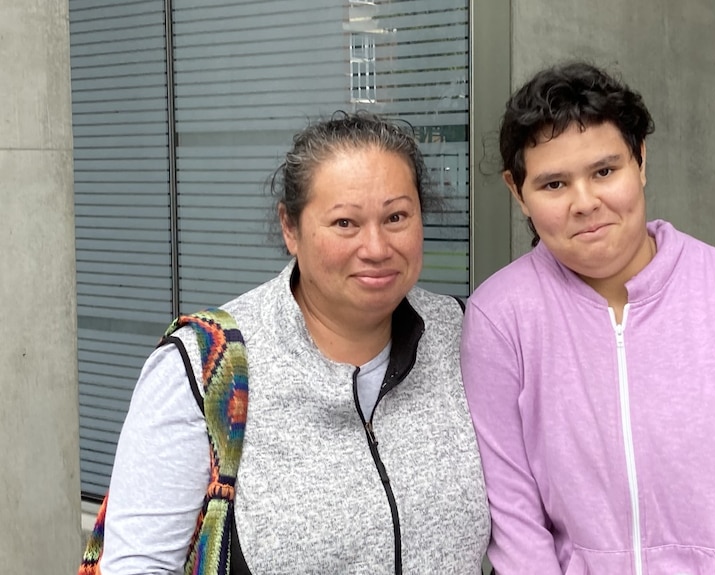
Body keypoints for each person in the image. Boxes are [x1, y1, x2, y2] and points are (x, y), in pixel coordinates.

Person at [460, 61, 715, 575]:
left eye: (605, 171)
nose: (585, 203)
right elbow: (513, 517)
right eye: (554, 184)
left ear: (641, 162)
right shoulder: (499, 318)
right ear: (517, 192)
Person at [97, 112, 490, 574]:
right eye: (345, 223)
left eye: (396, 216)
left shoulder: (465, 335)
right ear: (290, 227)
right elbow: (137, 565)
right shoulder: (208, 364)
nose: (377, 247)